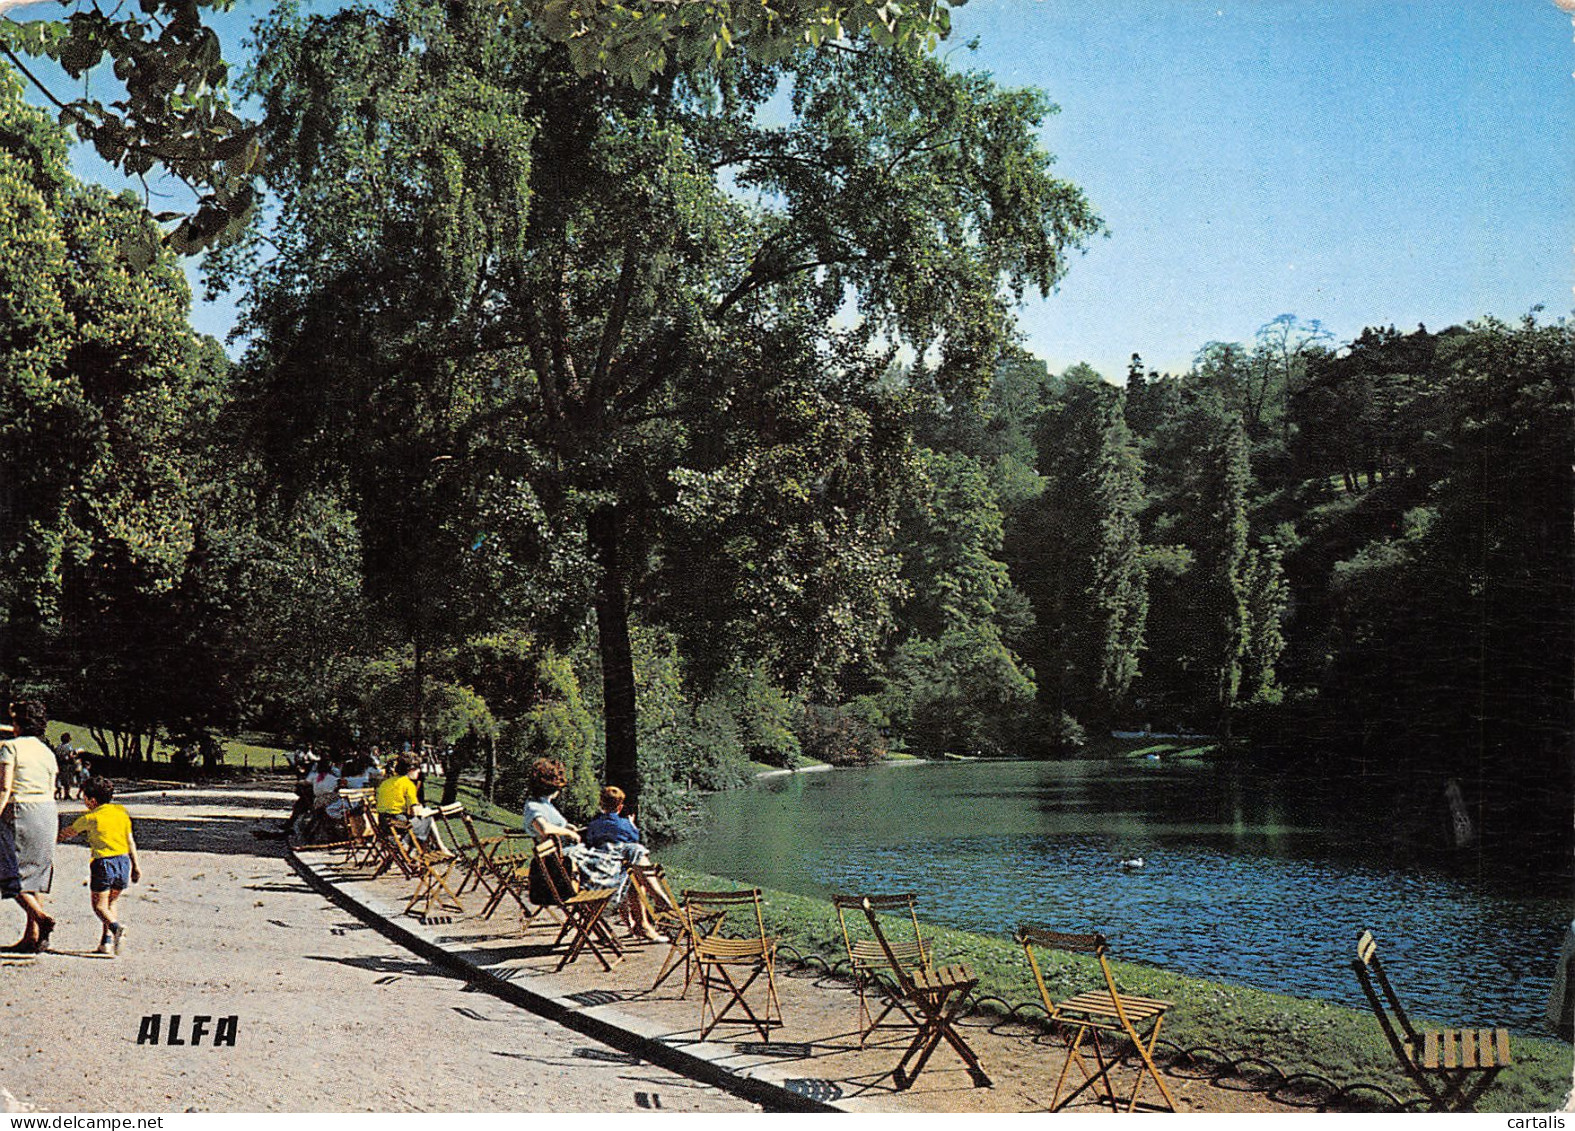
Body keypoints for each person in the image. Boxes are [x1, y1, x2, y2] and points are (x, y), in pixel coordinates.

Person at [522, 762, 662, 943]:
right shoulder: (534, 805)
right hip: (562, 868)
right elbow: (544, 828)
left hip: (570, 861)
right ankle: (654, 910)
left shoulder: (544, 804)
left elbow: (558, 826)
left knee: (631, 857)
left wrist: (575, 828)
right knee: (630, 862)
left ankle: (646, 919)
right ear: (551, 785)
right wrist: (570, 832)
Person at [57, 776, 141, 955]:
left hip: (103, 863)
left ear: (92, 800)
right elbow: (130, 840)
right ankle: (107, 942)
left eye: (85, 798)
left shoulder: (91, 817)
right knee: (111, 902)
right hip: (123, 861)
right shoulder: (121, 812)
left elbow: (68, 833)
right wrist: (136, 866)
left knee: (99, 906)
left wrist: (52, 838)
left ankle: (117, 928)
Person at [0, 701, 59, 953]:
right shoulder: (47, 751)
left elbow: (5, 787)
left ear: (19, 724)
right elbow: (52, 785)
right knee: (34, 873)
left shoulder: (10, 748)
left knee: (8, 872)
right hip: (47, 811)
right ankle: (32, 936)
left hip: (21, 809)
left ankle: (39, 917)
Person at [375, 754, 421, 820]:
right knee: (428, 819)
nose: (419, 771)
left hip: (383, 820)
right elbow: (415, 812)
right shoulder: (408, 784)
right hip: (399, 822)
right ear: (410, 769)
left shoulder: (385, 782)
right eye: (417, 768)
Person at [53, 733, 77, 801]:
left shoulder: (58, 747)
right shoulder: (68, 747)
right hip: (67, 765)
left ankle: (58, 793)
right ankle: (67, 794)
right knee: (67, 780)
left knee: (60, 779)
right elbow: (71, 756)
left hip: (59, 765)